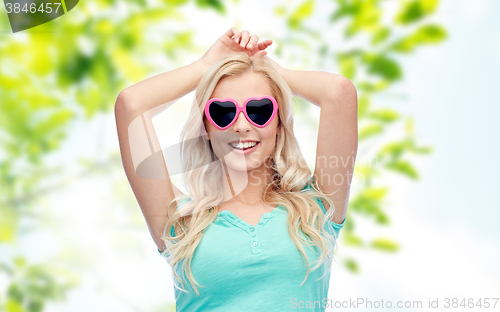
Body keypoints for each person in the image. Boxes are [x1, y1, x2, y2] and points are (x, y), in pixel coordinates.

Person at [115, 27, 358, 311]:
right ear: (205, 128)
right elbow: (130, 105)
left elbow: (339, 92)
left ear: (278, 122)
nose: (242, 125)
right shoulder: (182, 223)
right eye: (223, 112)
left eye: (259, 110)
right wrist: (205, 66)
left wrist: (269, 71)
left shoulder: (316, 210)